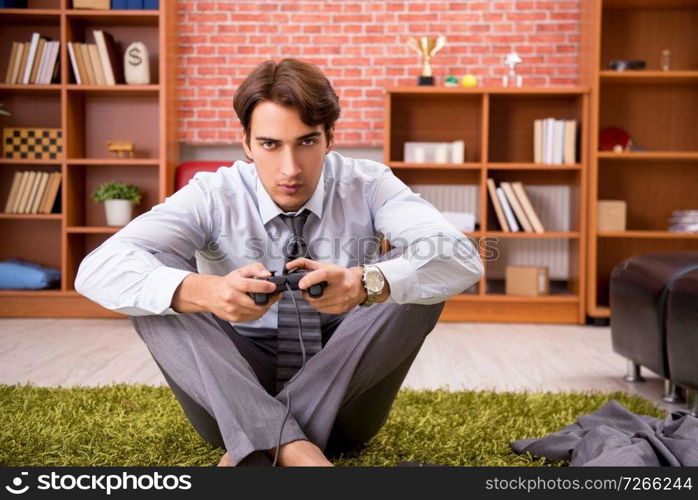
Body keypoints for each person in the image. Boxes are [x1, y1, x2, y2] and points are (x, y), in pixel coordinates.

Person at [75, 58, 483, 467]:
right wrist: (207, 291)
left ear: (329, 139)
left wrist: (365, 282)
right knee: (155, 282)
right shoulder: (213, 193)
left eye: (306, 142)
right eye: (270, 144)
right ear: (247, 144)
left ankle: (259, 443)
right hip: (227, 390)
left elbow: (460, 256)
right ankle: (296, 451)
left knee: (414, 273)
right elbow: (97, 267)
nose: (290, 169)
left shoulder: (369, 183)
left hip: (346, 394)